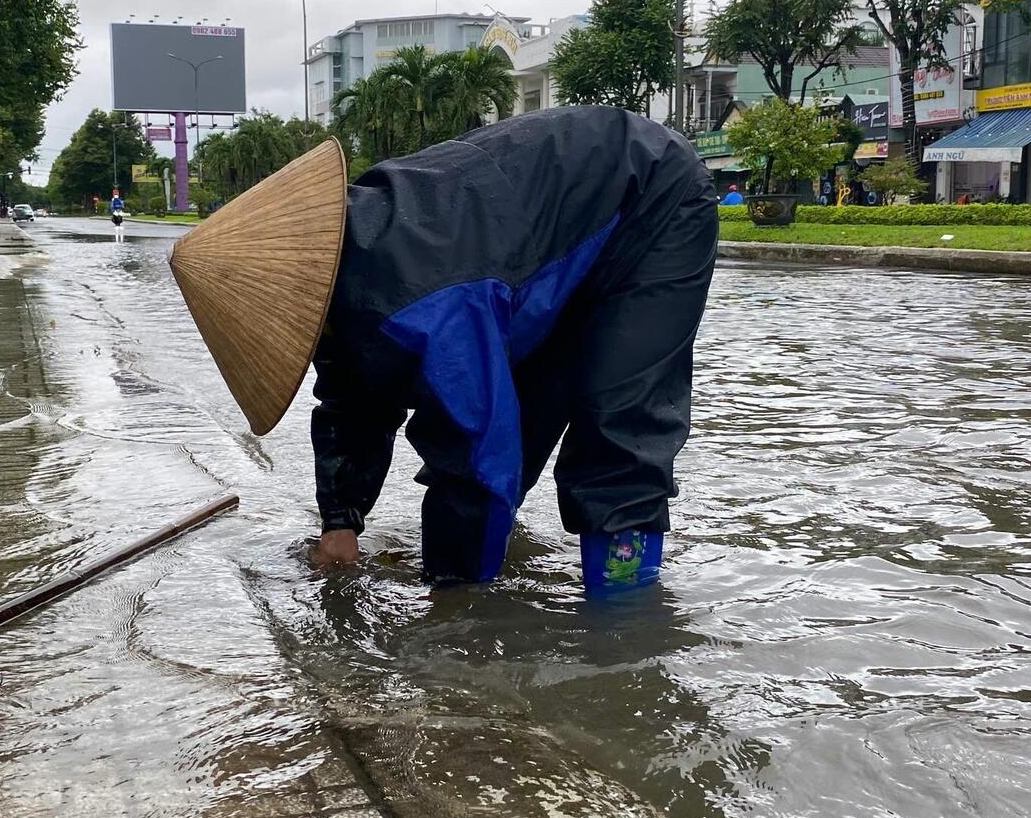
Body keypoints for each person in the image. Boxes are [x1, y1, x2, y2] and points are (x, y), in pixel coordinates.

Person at [170, 106, 719, 597]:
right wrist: (340, 524)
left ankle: (624, 630)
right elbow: (352, 397)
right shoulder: (336, 277)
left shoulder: (425, 306)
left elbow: (475, 452)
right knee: (520, 429)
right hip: (538, 241)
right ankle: (494, 562)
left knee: (613, 432)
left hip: (651, 198)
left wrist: (454, 603)